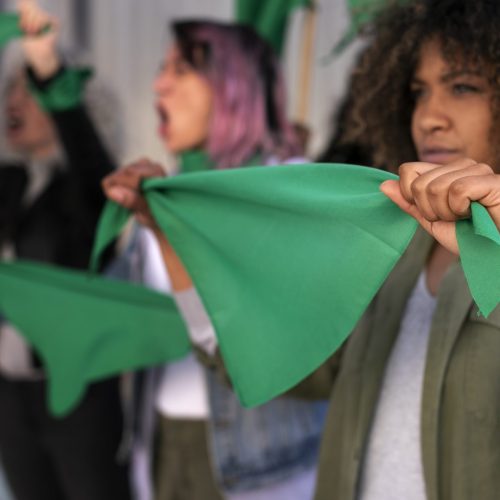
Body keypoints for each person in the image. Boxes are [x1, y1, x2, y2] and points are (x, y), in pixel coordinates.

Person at [104, 1, 500, 500]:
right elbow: (288, 364)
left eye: (463, 86)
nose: (429, 116)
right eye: (417, 91)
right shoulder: (390, 243)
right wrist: (169, 237)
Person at [106, 19, 326, 500]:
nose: (158, 84)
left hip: (262, 470)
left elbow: (292, 351)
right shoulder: (162, 193)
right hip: (163, 449)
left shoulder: (290, 193)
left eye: (181, 70)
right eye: (161, 69)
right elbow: (121, 317)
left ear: (233, 86)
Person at [0, 3, 131, 499]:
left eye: (28, 89)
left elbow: (87, 157)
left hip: (77, 394)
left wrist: (50, 74)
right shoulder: (11, 183)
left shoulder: (85, 188)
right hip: (12, 395)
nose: (15, 97)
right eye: (11, 86)